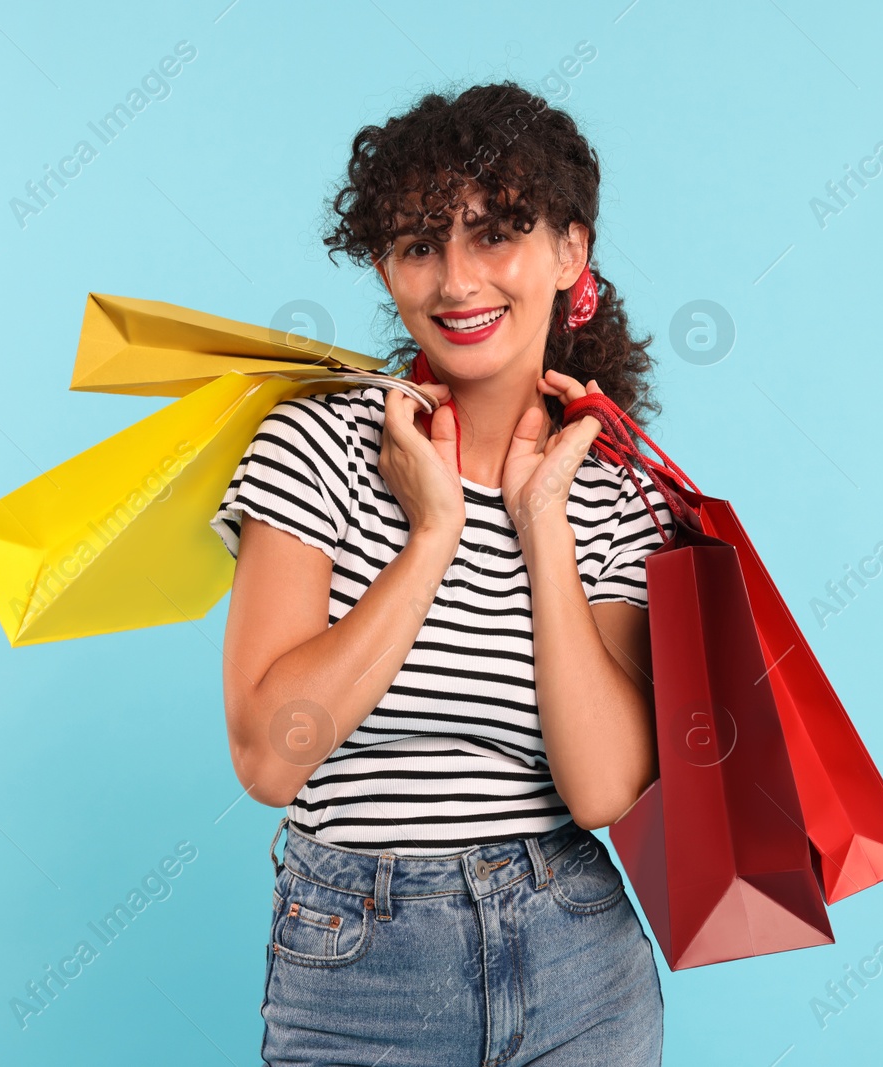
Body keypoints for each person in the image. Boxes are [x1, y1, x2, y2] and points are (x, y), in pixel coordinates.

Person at [210, 81, 674, 1066]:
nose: (457, 280)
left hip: (578, 952)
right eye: (420, 243)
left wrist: (541, 522)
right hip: (358, 962)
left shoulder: (613, 497)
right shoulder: (313, 445)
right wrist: (432, 535)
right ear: (385, 266)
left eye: (495, 233)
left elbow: (600, 788)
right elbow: (268, 755)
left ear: (568, 252)